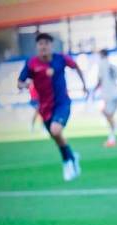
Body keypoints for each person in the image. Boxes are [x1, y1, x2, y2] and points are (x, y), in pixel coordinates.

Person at [18, 33, 88, 181]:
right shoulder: (31, 63)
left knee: (56, 130)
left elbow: (76, 67)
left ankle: (67, 162)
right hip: (45, 108)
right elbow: (19, 82)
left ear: (51, 45)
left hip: (62, 103)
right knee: (56, 138)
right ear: (37, 46)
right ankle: (71, 156)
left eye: (46, 43)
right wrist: (26, 84)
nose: (43, 46)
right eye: (40, 43)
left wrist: (84, 85)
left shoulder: (61, 58)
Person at [93, 48, 117, 147]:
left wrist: (93, 92)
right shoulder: (114, 66)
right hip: (116, 94)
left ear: (101, 55)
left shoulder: (101, 65)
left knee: (107, 116)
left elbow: (99, 81)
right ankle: (112, 140)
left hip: (108, 95)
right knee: (110, 119)